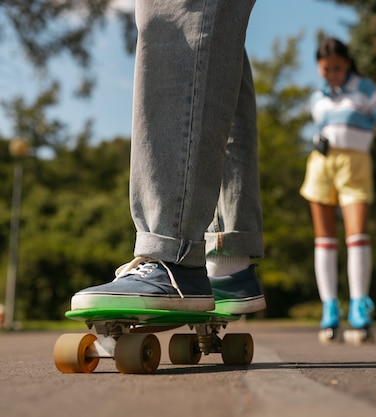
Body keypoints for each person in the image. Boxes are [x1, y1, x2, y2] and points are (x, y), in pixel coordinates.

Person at [70, 0, 265, 316]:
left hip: (177, 256)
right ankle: (228, 264)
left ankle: (173, 256)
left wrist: (172, 247)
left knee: (179, 9)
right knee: (218, 29)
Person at [300, 38, 376, 342]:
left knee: (357, 236)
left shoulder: (365, 89)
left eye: (337, 67)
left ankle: (360, 307)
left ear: (348, 63)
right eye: (326, 69)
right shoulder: (317, 98)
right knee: (324, 239)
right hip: (322, 166)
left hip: (355, 165)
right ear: (318, 68)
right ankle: (329, 309)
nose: (332, 74)